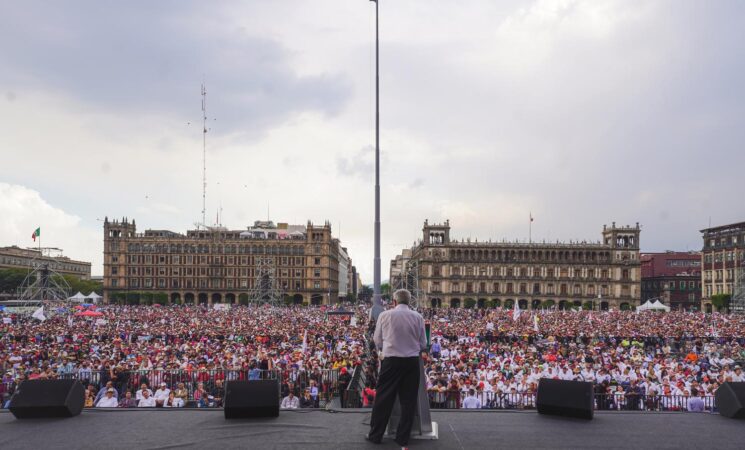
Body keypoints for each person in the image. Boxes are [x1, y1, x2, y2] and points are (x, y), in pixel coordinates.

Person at [367, 289, 427, 447]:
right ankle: (403, 438)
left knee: (383, 398)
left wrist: (386, 347)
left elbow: (377, 340)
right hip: (411, 362)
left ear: (394, 301)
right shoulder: (418, 317)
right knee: (408, 401)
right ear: (409, 301)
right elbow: (423, 344)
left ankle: (375, 435)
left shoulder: (385, 315)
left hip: (391, 361)